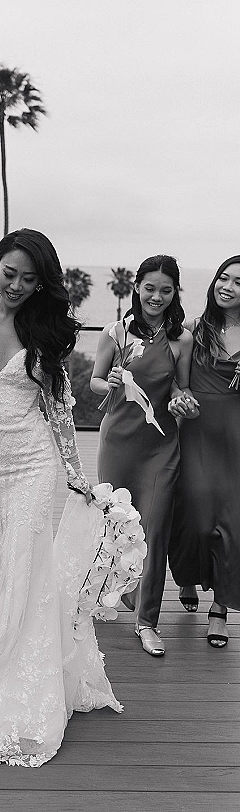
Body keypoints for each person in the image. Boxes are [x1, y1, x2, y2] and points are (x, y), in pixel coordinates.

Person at [0, 228, 121, 767]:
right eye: (9, 273)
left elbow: (58, 406)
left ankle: (13, 673)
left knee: (23, 562)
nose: (17, 286)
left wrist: (74, 471)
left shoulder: (46, 329)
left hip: (32, 461)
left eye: (29, 278)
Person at [91, 255, 194, 657]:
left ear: (174, 294)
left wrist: (184, 402)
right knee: (116, 526)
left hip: (161, 447)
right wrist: (110, 380)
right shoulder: (114, 333)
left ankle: (147, 621)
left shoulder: (180, 339)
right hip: (118, 443)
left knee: (155, 530)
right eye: (149, 288)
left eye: (165, 290)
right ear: (137, 287)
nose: (156, 296)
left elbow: (180, 390)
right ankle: (122, 588)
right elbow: (96, 382)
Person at [169, 255, 240, 647]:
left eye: (238, 282)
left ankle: (220, 610)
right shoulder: (196, 328)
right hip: (196, 432)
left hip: (236, 439)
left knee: (231, 524)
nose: (227, 286)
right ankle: (189, 577)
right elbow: (178, 382)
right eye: (223, 278)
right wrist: (182, 398)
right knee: (194, 515)